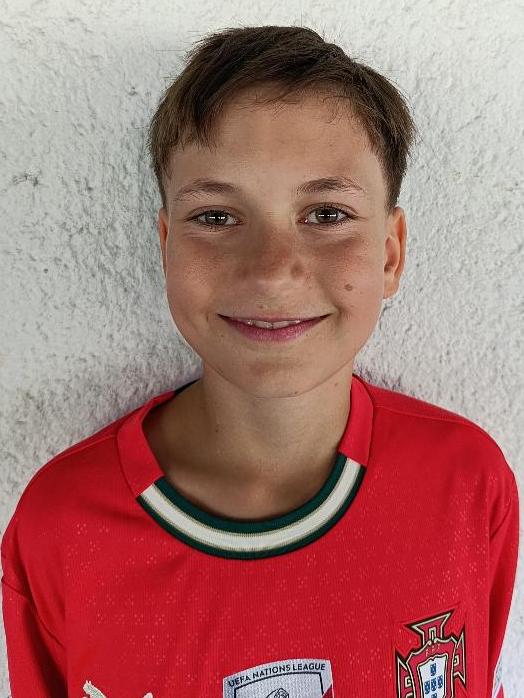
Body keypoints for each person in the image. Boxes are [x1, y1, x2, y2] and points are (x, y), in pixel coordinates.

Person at [1, 24, 519, 698]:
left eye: (326, 213)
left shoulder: (467, 485)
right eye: (217, 217)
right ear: (166, 246)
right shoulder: (62, 528)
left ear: (390, 253)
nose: (273, 271)